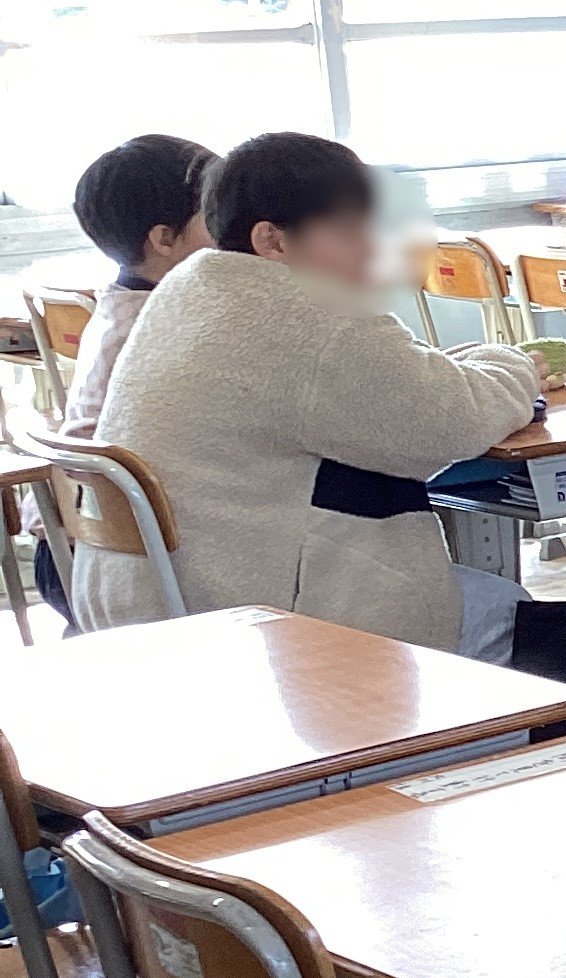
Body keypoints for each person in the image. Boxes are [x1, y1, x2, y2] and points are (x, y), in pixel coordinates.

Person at [81, 132, 541, 657]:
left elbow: (401, 386)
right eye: (347, 230)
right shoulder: (305, 315)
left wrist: (466, 368)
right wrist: (519, 366)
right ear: (272, 241)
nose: (372, 247)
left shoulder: (188, 291)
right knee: (511, 614)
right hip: (252, 622)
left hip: (149, 600)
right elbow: (453, 419)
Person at [62, 133, 214, 437]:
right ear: (164, 238)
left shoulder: (119, 305)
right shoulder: (160, 325)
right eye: (214, 214)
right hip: (136, 466)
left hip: (104, 465)